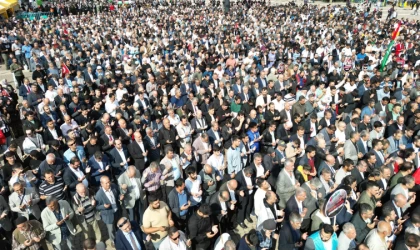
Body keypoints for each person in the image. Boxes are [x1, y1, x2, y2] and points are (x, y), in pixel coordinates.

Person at [95, 175, 122, 247]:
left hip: (117, 211)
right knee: (111, 230)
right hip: (108, 215)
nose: (108, 184)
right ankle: (113, 241)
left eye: (109, 182)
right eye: (106, 183)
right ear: (101, 184)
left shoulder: (113, 186)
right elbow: (97, 207)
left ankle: (120, 237)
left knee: (119, 225)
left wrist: (120, 197)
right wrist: (103, 206)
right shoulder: (99, 194)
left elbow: (117, 194)